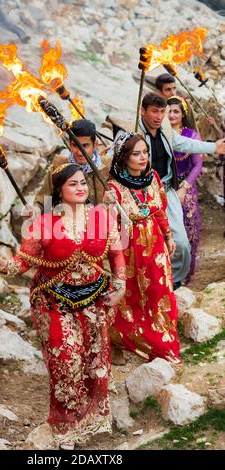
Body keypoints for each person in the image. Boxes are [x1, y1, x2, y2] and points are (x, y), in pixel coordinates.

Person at [0, 163, 126, 450]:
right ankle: (66, 425)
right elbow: (24, 261)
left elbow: (116, 253)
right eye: (73, 184)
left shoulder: (102, 217)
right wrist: (4, 265)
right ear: (59, 190)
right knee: (67, 362)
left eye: (83, 183)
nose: (81, 188)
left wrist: (121, 286)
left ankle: (93, 418)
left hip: (93, 300)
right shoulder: (44, 223)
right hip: (54, 301)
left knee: (94, 362)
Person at [106, 92, 225, 288]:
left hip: (166, 191)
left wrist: (213, 147)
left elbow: (183, 143)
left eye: (163, 111)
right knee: (144, 246)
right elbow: (116, 157)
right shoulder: (131, 132)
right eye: (154, 111)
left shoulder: (166, 128)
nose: (159, 116)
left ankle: (175, 282)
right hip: (139, 195)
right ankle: (147, 285)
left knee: (181, 244)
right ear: (143, 111)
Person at [104, 132, 180, 363]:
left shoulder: (153, 177)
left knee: (159, 291)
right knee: (131, 294)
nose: (143, 157)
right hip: (128, 246)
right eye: (136, 154)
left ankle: (162, 342)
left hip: (155, 242)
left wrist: (168, 236)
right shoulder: (113, 187)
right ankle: (120, 339)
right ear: (124, 157)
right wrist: (109, 206)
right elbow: (109, 226)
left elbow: (159, 210)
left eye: (145, 152)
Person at [31, 119, 112, 217]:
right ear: (69, 144)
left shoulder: (108, 167)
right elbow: (45, 200)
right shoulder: (58, 167)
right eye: (75, 145)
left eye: (85, 146)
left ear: (95, 144)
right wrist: (36, 210)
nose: (79, 151)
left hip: (102, 226)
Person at [168, 95, 203, 282]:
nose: (171, 115)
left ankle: (186, 274)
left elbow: (198, 164)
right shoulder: (159, 134)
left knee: (189, 229)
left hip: (185, 186)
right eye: (168, 111)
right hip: (165, 187)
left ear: (183, 114)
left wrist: (184, 188)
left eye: (176, 111)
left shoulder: (191, 135)